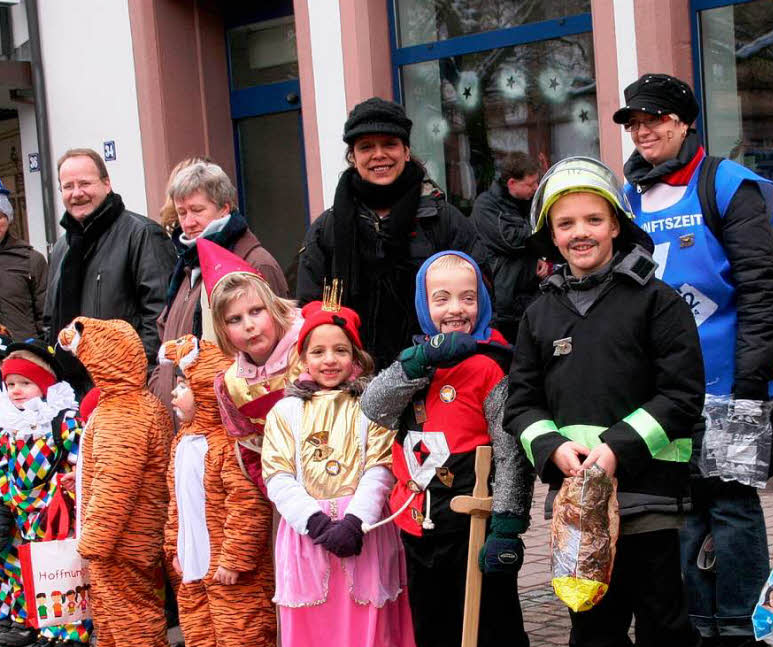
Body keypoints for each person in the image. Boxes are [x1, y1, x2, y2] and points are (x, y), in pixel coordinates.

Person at [504, 157, 708, 647]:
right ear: (551, 234)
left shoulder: (657, 302)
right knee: (593, 633)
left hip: (648, 502)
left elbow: (681, 395)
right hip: (577, 513)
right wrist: (550, 447)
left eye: (593, 218)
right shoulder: (541, 313)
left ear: (617, 224)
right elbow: (521, 400)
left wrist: (616, 449)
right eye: (566, 223)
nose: (580, 232)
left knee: (664, 628)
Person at [615, 73, 773, 647]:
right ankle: (700, 623)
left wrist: (750, 382)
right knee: (682, 505)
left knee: (732, 505)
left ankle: (744, 624)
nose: (645, 131)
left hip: (731, 380)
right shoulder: (629, 197)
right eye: (635, 122)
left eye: (657, 119)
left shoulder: (728, 185)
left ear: (685, 122)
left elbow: (763, 291)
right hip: (664, 389)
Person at [361, 250, 533, 647]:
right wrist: (417, 362)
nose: (454, 308)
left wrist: (507, 522)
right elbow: (373, 406)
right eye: (441, 298)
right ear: (424, 305)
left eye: (466, 297)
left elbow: (508, 452)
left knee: (492, 645)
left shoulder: (490, 366)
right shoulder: (414, 364)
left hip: (475, 530)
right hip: (421, 528)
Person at [263, 299, 427, 647]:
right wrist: (314, 523)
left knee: (372, 635)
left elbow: (380, 468)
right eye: (318, 351)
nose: (329, 360)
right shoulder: (284, 413)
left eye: (340, 350)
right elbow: (277, 475)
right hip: (308, 538)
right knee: (316, 641)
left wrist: (355, 520)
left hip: (365, 533)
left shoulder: (371, 408)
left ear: (357, 357)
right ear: (302, 357)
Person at [297, 97, 485, 369]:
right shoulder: (327, 229)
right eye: (366, 147)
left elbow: (481, 295)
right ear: (353, 157)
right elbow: (309, 308)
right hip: (355, 382)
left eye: (389, 144)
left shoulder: (443, 219)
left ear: (406, 151)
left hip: (435, 374)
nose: (378, 155)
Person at [57, 317, 176, 647]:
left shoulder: (124, 413)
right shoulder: (124, 405)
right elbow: (105, 469)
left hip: (125, 534)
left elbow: (118, 482)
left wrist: (95, 537)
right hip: (120, 533)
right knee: (108, 609)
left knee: (131, 607)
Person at [160, 335, 277, 647]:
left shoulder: (230, 446)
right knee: (198, 631)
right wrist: (174, 545)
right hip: (192, 561)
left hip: (228, 565)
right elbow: (175, 501)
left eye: (184, 386)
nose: (175, 394)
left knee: (240, 632)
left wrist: (235, 559)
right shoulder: (182, 443)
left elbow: (248, 504)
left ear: (210, 391)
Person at [154, 160, 288, 413]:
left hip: (229, 420)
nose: (188, 222)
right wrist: (159, 384)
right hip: (184, 419)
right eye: (182, 213)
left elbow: (277, 351)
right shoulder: (186, 264)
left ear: (224, 209)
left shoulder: (254, 262)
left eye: (197, 210)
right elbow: (166, 336)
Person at [0, 340, 92, 647]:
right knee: (41, 574)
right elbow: (5, 465)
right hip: (24, 513)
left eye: (25, 383)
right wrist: (9, 496)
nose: (16, 391)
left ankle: (73, 637)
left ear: (45, 383)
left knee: (64, 572)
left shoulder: (62, 419)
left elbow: (80, 458)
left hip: (56, 511)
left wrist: (68, 484)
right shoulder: (11, 426)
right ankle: (48, 633)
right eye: (11, 384)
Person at [44, 148, 176, 376]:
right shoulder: (61, 248)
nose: (76, 193)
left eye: (85, 183)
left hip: (124, 388)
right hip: (72, 390)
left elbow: (160, 318)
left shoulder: (142, 235)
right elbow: (49, 319)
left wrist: (130, 376)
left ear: (107, 184)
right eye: (68, 186)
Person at [204, 240, 303, 491]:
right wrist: (278, 491)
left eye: (256, 311)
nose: (249, 325)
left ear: (274, 308)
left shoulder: (310, 350)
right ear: (222, 329)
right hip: (286, 496)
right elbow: (250, 451)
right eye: (235, 319)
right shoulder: (232, 385)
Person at [470, 151, 544, 341]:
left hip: (530, 294)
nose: (536, 188)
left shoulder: (527, 202)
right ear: (512, 183)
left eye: (537, 182)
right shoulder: (486, 206)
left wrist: (542, 257)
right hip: (504, 303)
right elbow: (512, 240)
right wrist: (539, 238)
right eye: (530, 184)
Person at [0, 183, 48, 342]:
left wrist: (40, 351)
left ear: (8, 218)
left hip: (21, 358)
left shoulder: (32, 260)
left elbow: (47, 317)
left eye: (0, 215)